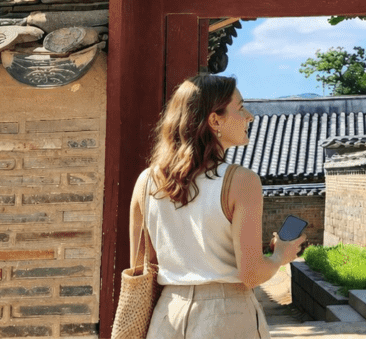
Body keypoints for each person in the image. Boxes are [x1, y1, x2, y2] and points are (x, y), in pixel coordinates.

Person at [128, 74, 306, 339]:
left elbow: (142, 266)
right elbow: (251, 274)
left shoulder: (146, 182)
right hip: (226, 317)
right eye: (240, 108)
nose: (249, 117)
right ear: (214, 121)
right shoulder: (241, 181)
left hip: (166, 316)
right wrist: (281, 254)